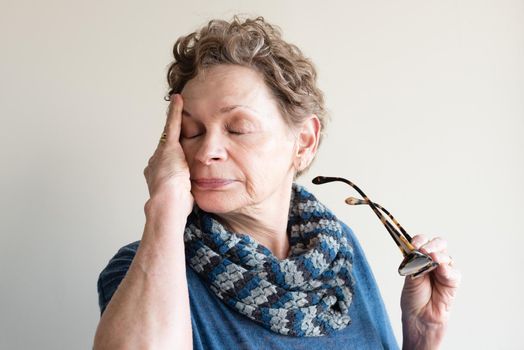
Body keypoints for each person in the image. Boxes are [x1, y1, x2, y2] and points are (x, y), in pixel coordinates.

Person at [93, 15, 461, 350]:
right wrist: (164, 209)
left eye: (238, 128)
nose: (207, 151)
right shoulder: (143, 269)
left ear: (303, 142)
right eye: (191, 132)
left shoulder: (336, 252)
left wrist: (423, 334)